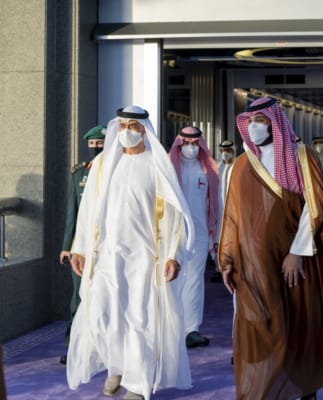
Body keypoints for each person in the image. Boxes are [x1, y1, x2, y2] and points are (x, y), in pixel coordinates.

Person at [218, 97, 323, 399]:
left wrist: (297, 252)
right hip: (255, 263)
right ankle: (266, 389)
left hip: (297, 261)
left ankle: (303, 388)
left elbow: (315, 205)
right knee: (262, 325)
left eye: (261, 121)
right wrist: (227, 260)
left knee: (301, 322)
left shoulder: (302, 157)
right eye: (249, 121)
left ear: (275, 122)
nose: (253, 127)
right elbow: (233, 216)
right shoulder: (241, 165)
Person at [66, 105, 195, 400]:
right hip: (106, 256)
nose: (127, 132)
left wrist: (172, 254)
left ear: (144, 131)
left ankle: (137, 382)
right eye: (122, 126)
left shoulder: (156, 166)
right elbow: (88, 212)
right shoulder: (103, 165)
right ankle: (117, 367)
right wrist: (80, 248)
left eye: (133, 127)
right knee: (102, 314)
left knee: (139, 318)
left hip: (144, 258)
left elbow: (172, 218)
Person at [57, 124, 105, 365]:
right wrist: (67, 245)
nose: (96, 148)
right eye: (93, 145)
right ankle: (73, 347)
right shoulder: (79, 174)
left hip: (107, 247)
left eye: (101, 145)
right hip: (82, 249)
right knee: (78, 298)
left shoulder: (116, 171)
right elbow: (72, 214)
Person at [169, 126, 219, 348]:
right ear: (179, 143)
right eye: (186, 142)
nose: (190, 147)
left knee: (195, 279)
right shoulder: (170, 168)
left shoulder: (206, 170)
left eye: (194, 143)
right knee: (174, 279)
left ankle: (192, 330)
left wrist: (214, 235)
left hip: (199, 233)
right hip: (174, 233)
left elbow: (215, 204)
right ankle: (173, 329)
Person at [210, 139, 237, 282]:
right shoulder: (217, 168)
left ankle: (231, 266)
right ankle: (217, 268)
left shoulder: (238, 167)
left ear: (233, 151)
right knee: (217, 238)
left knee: (232, 238)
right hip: (218, 209)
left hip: (233, 209)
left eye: (228, 151)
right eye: (223, 151)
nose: (225, 154)